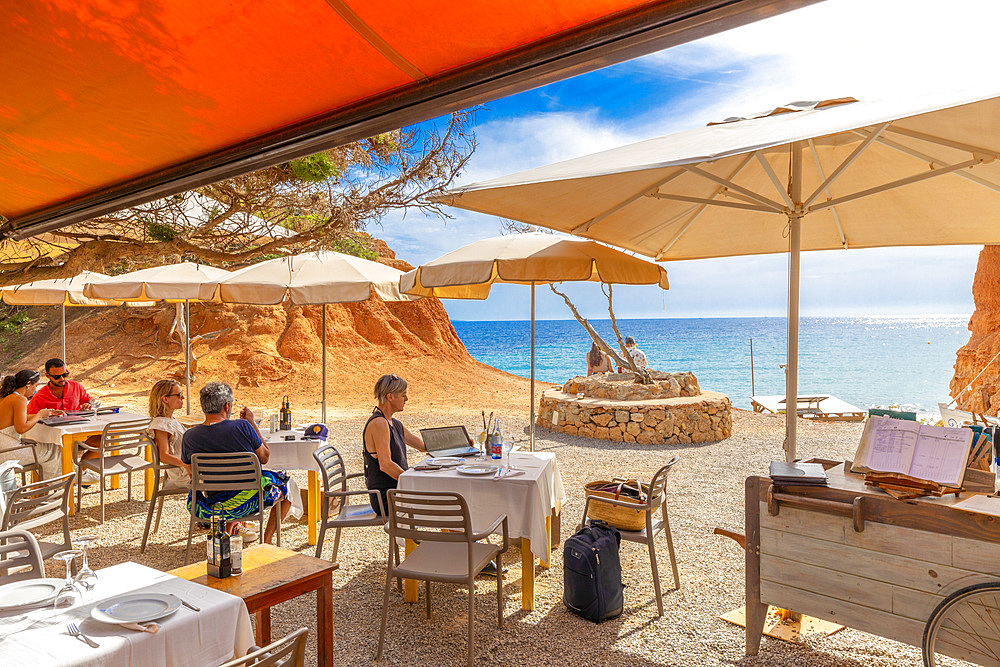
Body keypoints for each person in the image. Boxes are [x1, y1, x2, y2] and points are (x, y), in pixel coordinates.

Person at [181, 381, 291, 544]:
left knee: (233, 490)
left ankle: (224, 533)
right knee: (287, 488)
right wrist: (252, 422)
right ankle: (266, 541)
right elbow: (265, 457)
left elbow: (192, 473)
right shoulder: (243, 426)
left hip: (214, 503)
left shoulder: (190, 436)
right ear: (227, 406)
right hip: (248, 502)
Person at [363, 374, 425, 517]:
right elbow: (385, 465)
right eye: (403, 395)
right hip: (386, 497)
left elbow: (422, 446)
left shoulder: (394, 423)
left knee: (445, 495)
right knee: (445, 499)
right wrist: (412, 483)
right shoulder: (379, 423)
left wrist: (459, 445)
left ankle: (453, 537)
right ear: (390, 397)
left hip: (398, 489)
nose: (407, 399)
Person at [0, 369, 63, 478]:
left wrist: (46, 414)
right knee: (54, 449)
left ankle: (46, 486)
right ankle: (58, 484)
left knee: (47, 450)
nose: (35, 390)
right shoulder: (20, 399)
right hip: (10, 452)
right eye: (36, 386)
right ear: (28, 384)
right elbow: (21, 428)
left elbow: (16, 419)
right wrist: (39, 415)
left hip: (3, 448)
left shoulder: (4, 397)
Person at [147, 379, 191, 489]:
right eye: (179, 395)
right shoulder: (161, 425)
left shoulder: (170, 419)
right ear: (165, 399)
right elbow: (164, 456)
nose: (183, 398)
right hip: (184, 473)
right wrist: (185, 464)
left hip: (188, 467)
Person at [27, 358, 93, 413]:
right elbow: (28, 417)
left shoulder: (76, 387)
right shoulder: (39, 397)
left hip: (76, 426)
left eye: (64, 375)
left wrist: (88, 404)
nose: (62, 379)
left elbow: (90, 400)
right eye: (57, 377)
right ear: (47, 376)